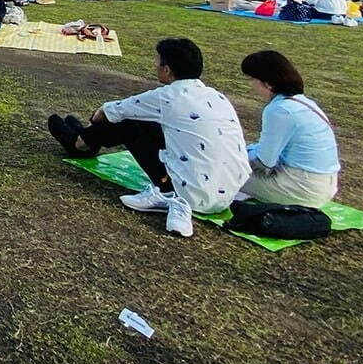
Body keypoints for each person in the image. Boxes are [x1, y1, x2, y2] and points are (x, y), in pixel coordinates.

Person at [46, 38, 249, 237]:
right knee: (145, 120)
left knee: (130, 122)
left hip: (191, 194)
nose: (155, 65)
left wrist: (91, 126)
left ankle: (79, 143)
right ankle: (85, 140)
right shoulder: (217, 97)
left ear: (167, 69)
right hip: (228, 194)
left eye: (157, 61)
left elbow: (106, 112)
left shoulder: (167, 97)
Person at [238, 51, 340, 208]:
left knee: (224, 174)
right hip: (324, 184)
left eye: (253, 79)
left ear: (268, 83)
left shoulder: (280, 110)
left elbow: (264, 163)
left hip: (302, 187)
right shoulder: (305, 103)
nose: (252, 85)